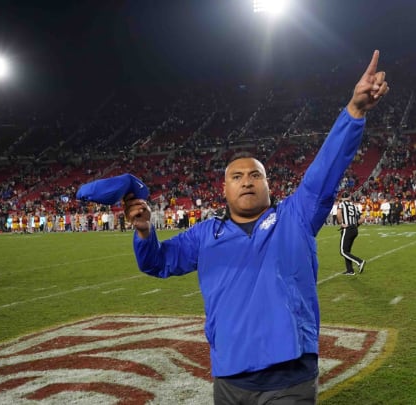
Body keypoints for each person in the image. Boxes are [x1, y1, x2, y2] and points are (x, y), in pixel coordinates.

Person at [123, 50, 389, 404]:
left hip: (290, 374)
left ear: (268, 185)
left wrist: (354, 112)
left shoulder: (296, 216)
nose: (246, 181)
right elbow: (157, 262)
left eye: (255, 175)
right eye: (237, 176)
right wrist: (144, 231)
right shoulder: (205, 234)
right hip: (230, 375)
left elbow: (326, 169)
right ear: (224, 188)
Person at [337, 192, 366, 276]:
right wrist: (356, 225)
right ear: (349, 197)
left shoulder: (341, 204)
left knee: (343, 251)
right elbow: (362, 218)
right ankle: (350, 270)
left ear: (342, 198)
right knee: (347, 251)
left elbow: (339, 213)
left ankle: (360, 261)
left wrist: (341, 223)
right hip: (354, 229)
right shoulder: (354, 206)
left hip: (347, 229)